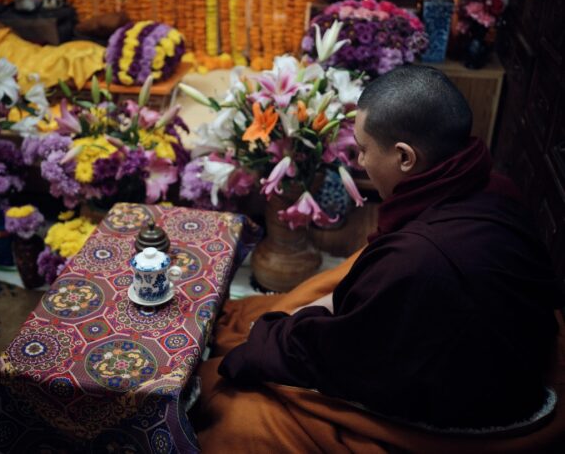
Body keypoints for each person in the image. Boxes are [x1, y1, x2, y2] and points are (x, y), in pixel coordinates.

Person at [192, 65, 565, 452]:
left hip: (479, 396)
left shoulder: (418, 260)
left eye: (364, 149)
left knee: (236, 416)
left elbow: (344, 357)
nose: (360, 162)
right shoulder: (492, 183)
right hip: (493, 326)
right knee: (342, 276)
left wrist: (265, 341)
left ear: (405, 157)